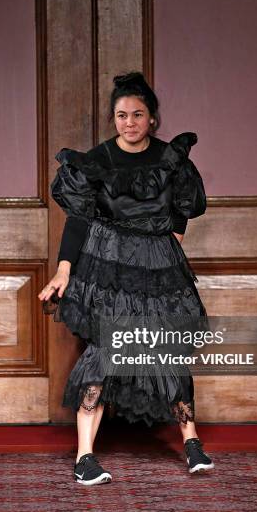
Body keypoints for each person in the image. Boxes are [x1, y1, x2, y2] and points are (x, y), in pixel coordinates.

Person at [38, 72, 214, 485]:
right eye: (121, 115)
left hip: (157, 265)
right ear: (113, 118)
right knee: (103, 350)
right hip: (108, 265)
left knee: (167, 350)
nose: (129, 122)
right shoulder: (97, 161)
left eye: (137, 114)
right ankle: (85, 457)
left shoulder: (171, 159)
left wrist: (166, 243)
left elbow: (181, 210)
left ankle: (192, 444)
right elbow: (79, 219)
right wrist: (64, 269)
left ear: (152, 118)